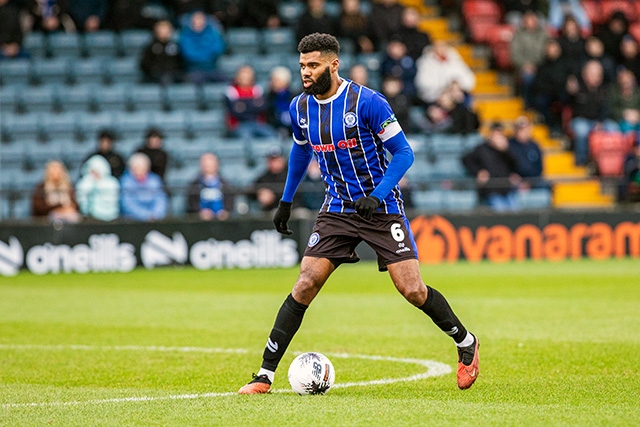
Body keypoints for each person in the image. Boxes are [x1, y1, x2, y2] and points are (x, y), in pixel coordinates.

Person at [238, 33, 479, 395]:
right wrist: (285, 201)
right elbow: (301, 152)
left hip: (381, 208)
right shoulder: (300, 107)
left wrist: (378, 194)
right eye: (302, 65)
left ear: (334, 65)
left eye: (313, 65)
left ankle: (466, 342)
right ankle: (264, 375)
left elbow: (404, 154)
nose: (305, 72)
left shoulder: (367, 102)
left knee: (412, 290)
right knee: (305, 284)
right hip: (336, 208)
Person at [566, 60, 617, 166]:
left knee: (613, 128)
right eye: (592, 74)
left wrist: (601, 122)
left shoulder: (604, 91)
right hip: (580, 120)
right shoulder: (577, 88)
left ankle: (611, 163)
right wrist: (569, 93)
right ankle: (582, 161)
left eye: (598, 74)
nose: (596, 77)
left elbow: (606, 110)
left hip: (598, 121)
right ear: (584, 75)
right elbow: (563, 103)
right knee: (582, 130)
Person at [462, 122, 521, 211]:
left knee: (515, 210)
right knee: (499, 209)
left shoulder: (507, 149)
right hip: (491, 190)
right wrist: (478, 172)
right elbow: (466, 160)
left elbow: (516, 165)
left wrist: (506, 151)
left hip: (507, 189)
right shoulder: (481, 149)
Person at [415, 40, 476, 105]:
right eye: (438, 47)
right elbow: (422, 82)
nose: (441, 49)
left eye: (443, 47)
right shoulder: (425, 62)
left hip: (455, 93)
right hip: (434, 96)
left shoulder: (454, 59)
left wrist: (456, 84)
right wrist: (444, 88)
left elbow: (468, 77)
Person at [225, 65, 277, 139]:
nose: (246, 77)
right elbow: (236, 111)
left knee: (272, 136)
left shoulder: (258, 89)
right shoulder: (231, 91)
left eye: (248, 74)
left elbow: (263, 107)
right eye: (243, 74)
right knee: (246, 137)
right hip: (239, 125)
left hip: (258, 123)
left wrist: (244, 105)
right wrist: (253, 104)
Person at [531, 38, 571, 133]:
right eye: (550, 49)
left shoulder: (566, 64)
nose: (552, 51)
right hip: (548, 93)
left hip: (562, 93)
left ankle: (561, 128)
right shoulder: (542, 66)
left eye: (554, 49)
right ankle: (552, 126)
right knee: (540, 101)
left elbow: (568, 82)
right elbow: (539, 84)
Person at [509, 10, 548, 108]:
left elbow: (548, 52)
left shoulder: (544, 35)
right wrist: (525, 65)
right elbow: (515, 54)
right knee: (528, 78)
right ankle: (528, 104)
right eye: (528, 20)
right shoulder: (518, 35)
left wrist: (538, 65)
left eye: (532, 20)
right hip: (524, 67)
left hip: (542, 66)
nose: (530, 22)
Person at [179, 10, 226, 84]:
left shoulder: (213, 33)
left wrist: (202, 53)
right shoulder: (185, 35)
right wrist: (206, 53)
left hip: (213, 68)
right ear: (191, 21)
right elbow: (189, 54)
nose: (199, 22)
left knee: (226, 82)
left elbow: (218, 49)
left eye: (201, 19)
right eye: (196, 19)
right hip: (194, 69)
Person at [120, 153, 168, 221]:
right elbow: (127, 204)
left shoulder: (155, 180)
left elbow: (161, 200)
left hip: (155, 219)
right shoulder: (126, 182)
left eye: (143, 168)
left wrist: (156, 214)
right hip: (133, 221)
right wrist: (146, 216)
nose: (140, 171)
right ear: (131, 169)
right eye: (137, 168)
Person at [186, 152, 232, 220]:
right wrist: (199, 212)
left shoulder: (225, 184)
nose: (207, 166)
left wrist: (225, 212)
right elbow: (191, 203)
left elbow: (230, 202)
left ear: (216, 164)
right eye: (204, 163)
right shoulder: (194, 185)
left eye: (210, 163)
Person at [75, 155, 121, 221]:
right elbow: (81, 199)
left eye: (97, 170)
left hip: (110, 217)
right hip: (90, 218)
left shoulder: (112, 183)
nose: (94, 173)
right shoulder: (84, 182)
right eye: (92, 171)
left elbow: (113, 199)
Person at [507, 116, 547, 188]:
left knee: (546, 185)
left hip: (533, 180)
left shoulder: (534, 145)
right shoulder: (509, 145)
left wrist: (529, 183)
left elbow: (539, 167)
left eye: (526, 128)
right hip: (515, 181)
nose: (523, 132)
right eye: (520, 129)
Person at [140, 20, 183, 85]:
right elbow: (144, 63)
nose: (165, 32)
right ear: (156, 31)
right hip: (155, 76)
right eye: (162, 29)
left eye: (167, 29)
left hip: (173, 75)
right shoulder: (151, 47)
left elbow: (180, 62)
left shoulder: (175, 46)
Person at [253, 146, 288, 212]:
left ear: (282, 160)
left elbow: (297, 191)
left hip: (293, 209)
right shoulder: (264, 177)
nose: (274, 163)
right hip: (272, 210)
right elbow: (251, 190)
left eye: (277, 160)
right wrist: (260, 192)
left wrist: (273, 195)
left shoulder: (291, 174)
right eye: (271, 160)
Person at [608, 68, 640, 134]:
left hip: (637, 119)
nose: (626, 84)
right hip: (619, 120)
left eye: (629, 81)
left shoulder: (638, 92)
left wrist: (636, 114)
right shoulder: (613, 92)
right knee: (625, 127)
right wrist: (625, 114)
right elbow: (611, 109)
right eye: (624, 82)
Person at [266, 66, 295, 137]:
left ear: (285, 82)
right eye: (272, 80)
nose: (272, 83)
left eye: (276, 80)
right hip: (274, 128)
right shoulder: (269, 97)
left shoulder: (293, 96)